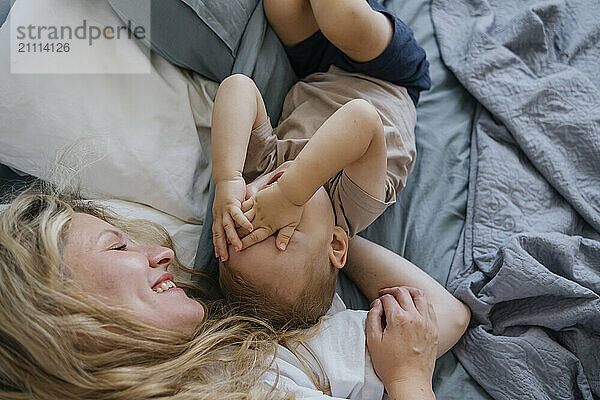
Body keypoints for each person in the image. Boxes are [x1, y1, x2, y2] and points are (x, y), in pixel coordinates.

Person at [0, 179, 446, 399]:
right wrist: (409, 380)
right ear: (54, 314)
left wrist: (331, 240)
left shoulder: (238, 351)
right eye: (117, 247)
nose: (161, 252)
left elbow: (440, 318)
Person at [212, 0, 431, 328]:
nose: (267, 208)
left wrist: (228, 178)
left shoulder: (267, 170)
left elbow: (238, 86)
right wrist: (290, 194)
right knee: (342, 18)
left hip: (317, 69)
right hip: (387, 74)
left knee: (280, 7)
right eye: (283, 227)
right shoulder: (351, 205)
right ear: (336, 243)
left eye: (248, 217)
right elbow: (361, 117)